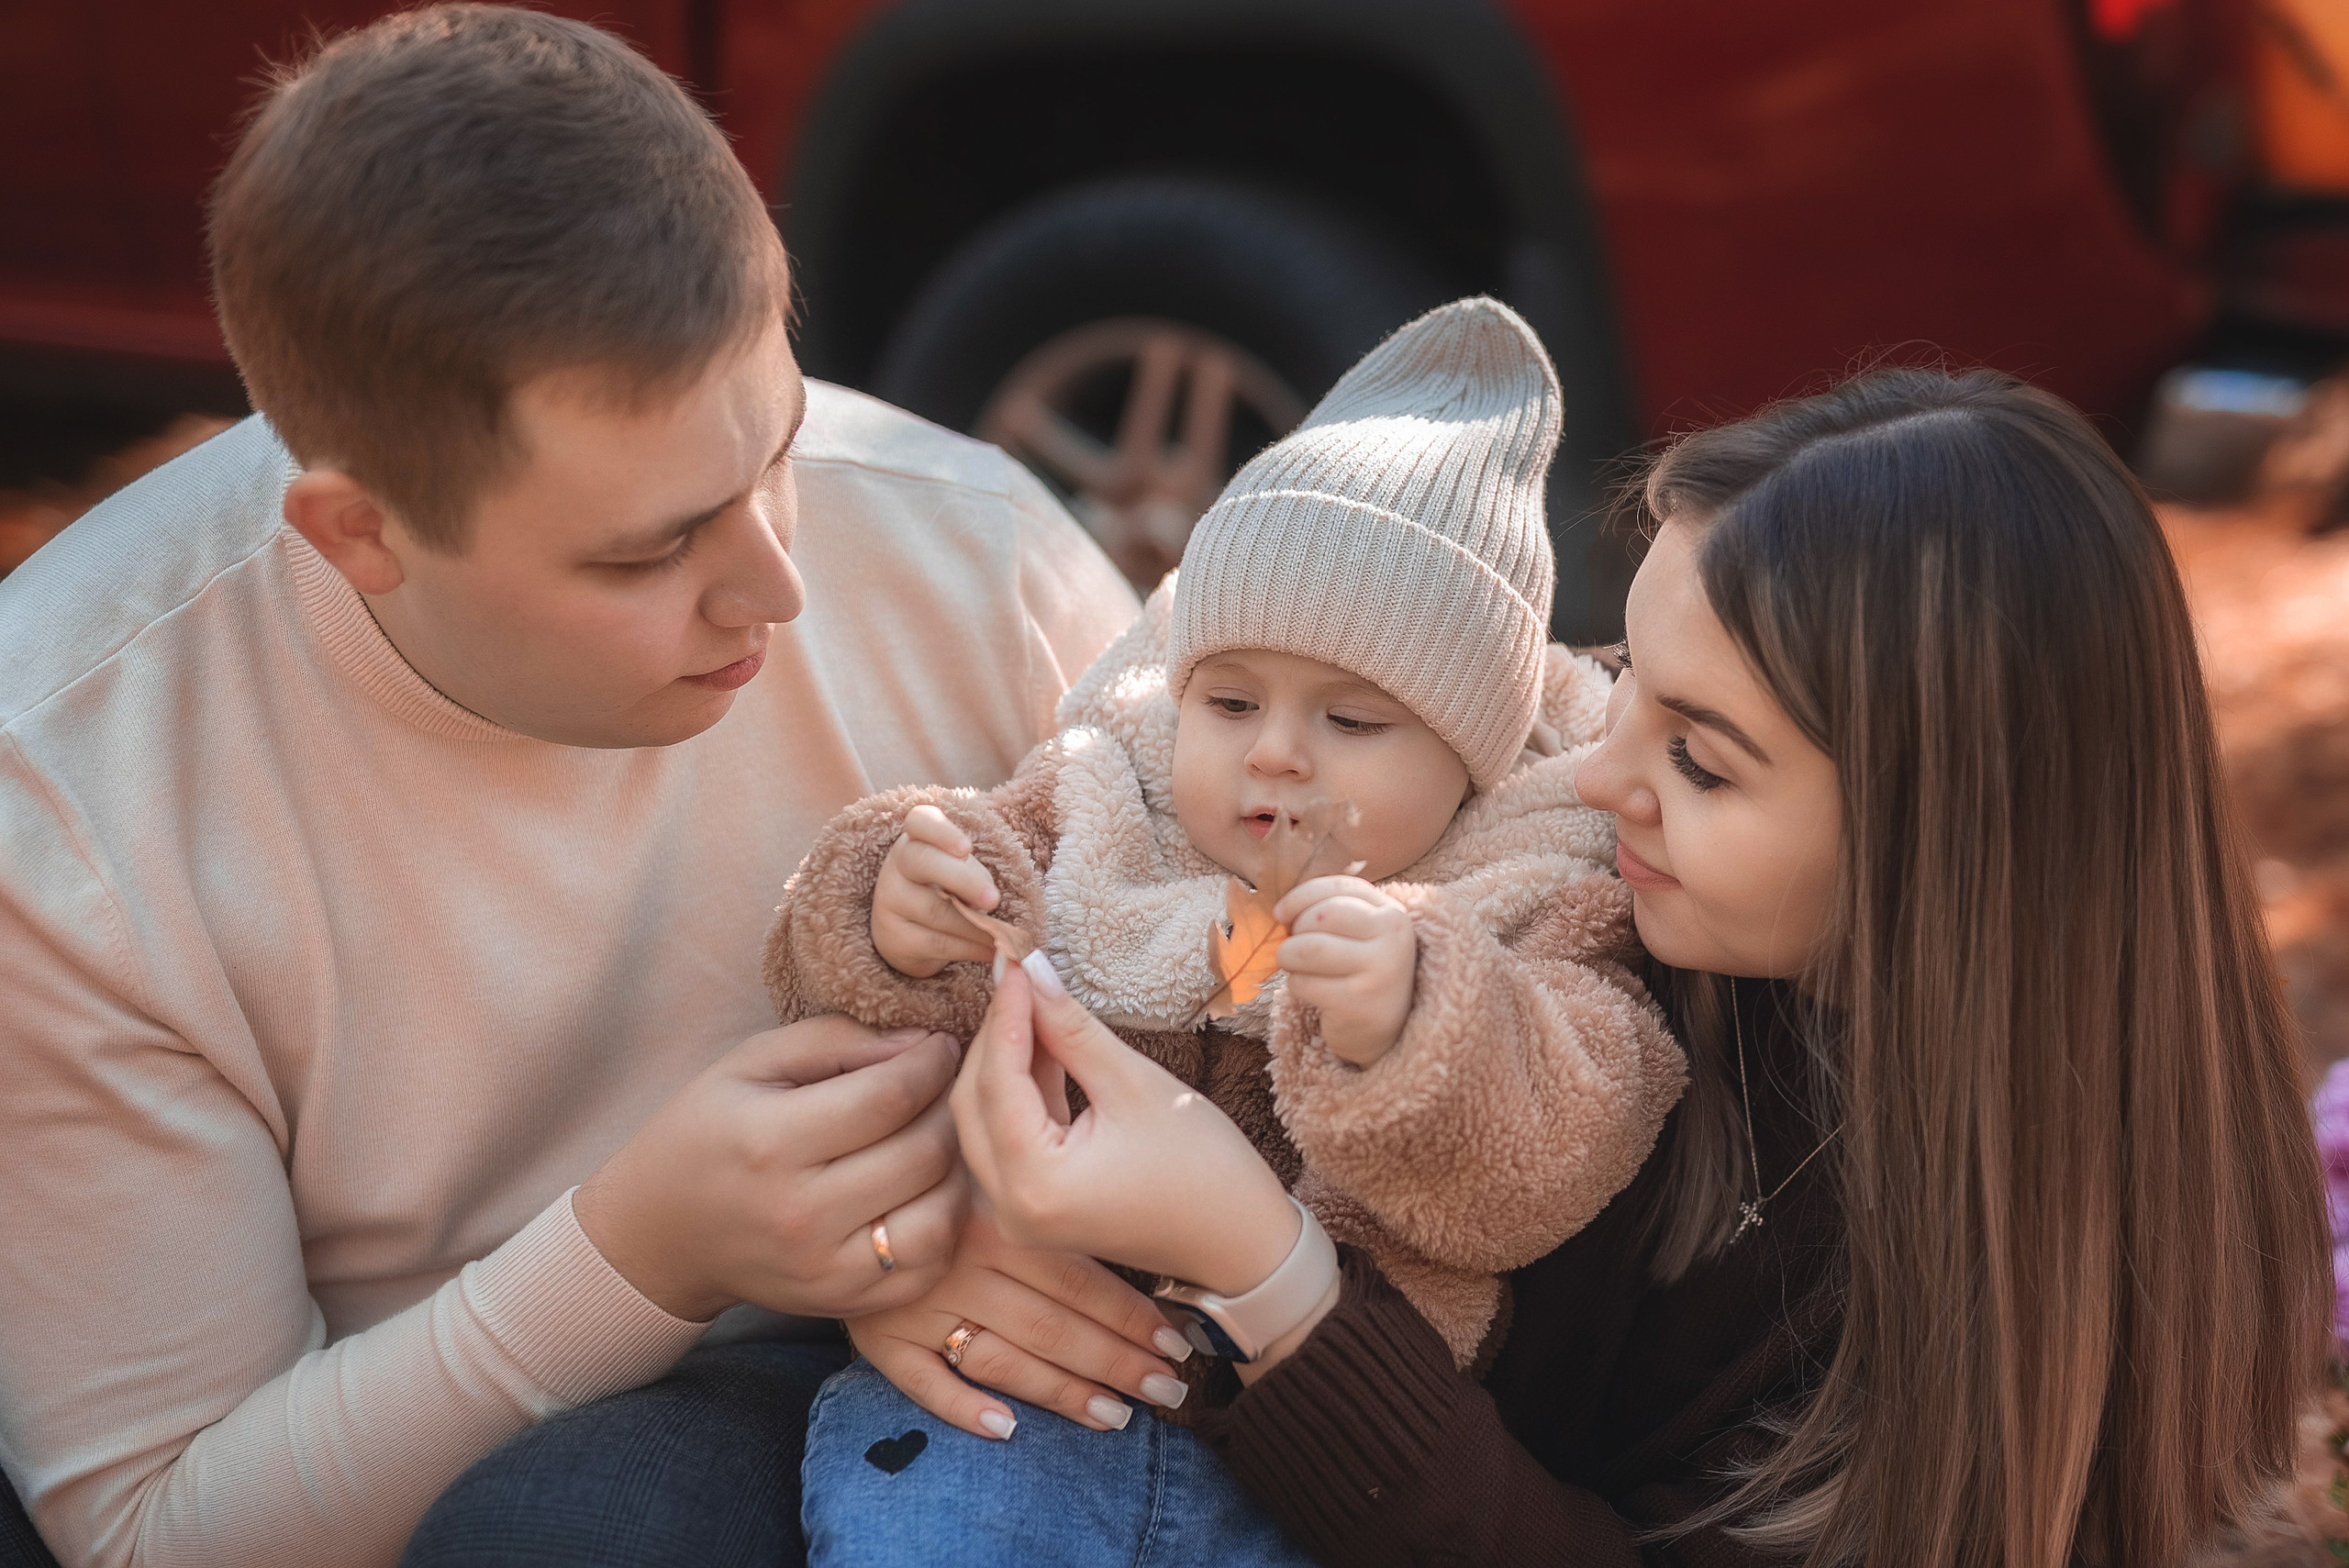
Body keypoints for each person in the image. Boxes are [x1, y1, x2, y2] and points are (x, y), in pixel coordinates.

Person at [0, 9, 1155, 1567]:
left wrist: (978, 1215)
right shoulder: (66, 795)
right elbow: (159, 1529)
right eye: (648, 548)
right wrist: (643, 1252)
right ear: (358, 535)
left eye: (780, 449)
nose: (779, 583)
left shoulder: (977, 553)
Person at [945, 366, 2333, 1566]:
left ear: (1943, 844)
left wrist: (1270, 1271)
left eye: (1700, 756)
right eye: (1625, 675)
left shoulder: (2052, 1282)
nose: (1594, 773)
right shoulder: (1602, 886)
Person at [763, 298, 1685, 1564]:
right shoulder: (1104, 794)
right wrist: (894, 910)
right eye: (1233, 697)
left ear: (1470, 759)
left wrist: (1417, 1017)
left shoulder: (1530, 891)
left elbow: (1567, 1128)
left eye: (1355, 722)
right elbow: (885, 991)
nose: (1276, 753)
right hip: (1012, 1389)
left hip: (1310, 1446)